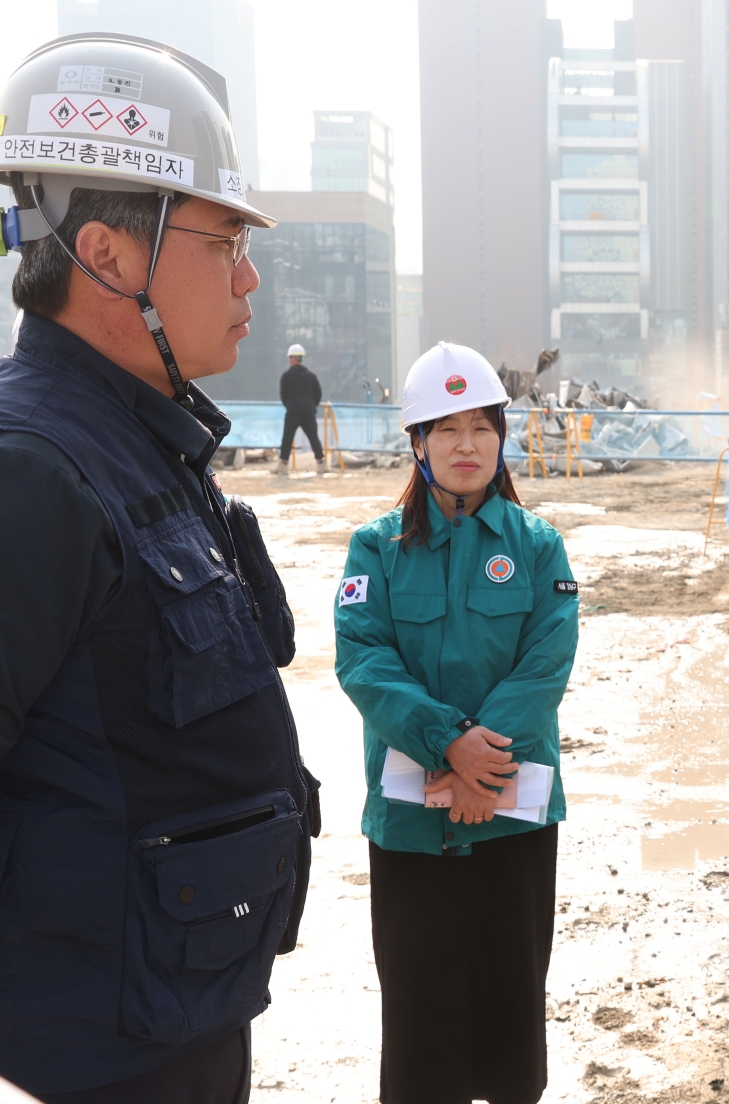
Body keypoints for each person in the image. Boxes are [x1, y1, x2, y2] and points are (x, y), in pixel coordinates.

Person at [0, 34, 318, 1102]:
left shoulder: (141, 442)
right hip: (106, 1049)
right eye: (222, 238)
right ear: (109, 254)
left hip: (171, 1004)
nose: (248, 273)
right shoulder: (32, 471)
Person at [335, 341, 579, 1104]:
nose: (467, 444)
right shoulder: (375, 548)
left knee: (512, 1009)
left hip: (512, 819)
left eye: (482, 426)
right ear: (417, 443)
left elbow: (545, 666)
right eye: (447, 429)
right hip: (411, 827)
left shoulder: (539, 549)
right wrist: (448, 741)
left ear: (502, 438)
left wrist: (484, 766)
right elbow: (364, 661)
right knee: (419, 1018)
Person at [277, 343, 324, 472]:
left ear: (292, 358)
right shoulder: (311, 376)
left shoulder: (286, 376)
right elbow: (318, 394)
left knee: (287, 438)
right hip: (308, 411)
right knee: (314, 437)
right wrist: (311, 406)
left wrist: (291, 406)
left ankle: (283, 465)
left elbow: (283, 395)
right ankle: (321, 463)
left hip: (292, 411)